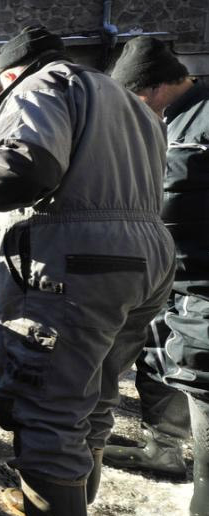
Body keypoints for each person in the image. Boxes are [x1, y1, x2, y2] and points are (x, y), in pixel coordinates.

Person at [0, 26, 174, 515]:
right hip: (147, 260)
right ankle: (67, 499)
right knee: (94, 395)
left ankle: (53, 501)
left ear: (9, 74)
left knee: (48, 412)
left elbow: (26, 166)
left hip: (77, 262)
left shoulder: (42, 84)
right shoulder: (132, 104)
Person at [105, 36, 209, 514]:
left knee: (202, 374)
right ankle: (164, 447)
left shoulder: (203, 118)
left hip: (203, 282)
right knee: (163, 358)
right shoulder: (166, 123)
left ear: (148, 90)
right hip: (172, 277)